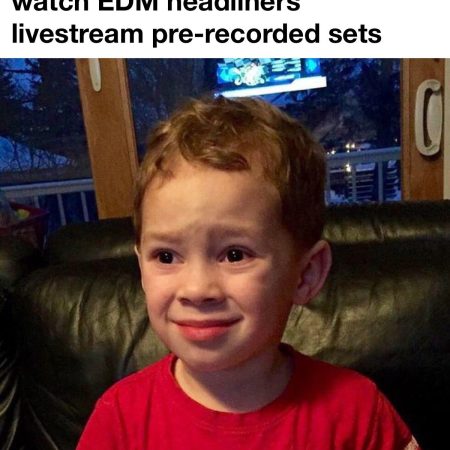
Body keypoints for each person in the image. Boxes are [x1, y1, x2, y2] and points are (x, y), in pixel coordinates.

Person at [77, 97, 420, 449]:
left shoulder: (359, 413)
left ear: (306, 274)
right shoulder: (119, 419)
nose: (196, 289)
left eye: (234, 255)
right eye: (166, 256)